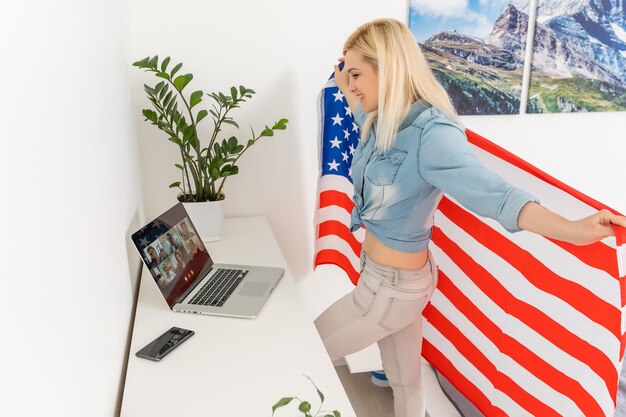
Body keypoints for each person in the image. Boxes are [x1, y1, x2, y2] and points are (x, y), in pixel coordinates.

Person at [313, 18, 626, 417]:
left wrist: (573, 230)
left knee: (302, 349)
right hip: (385, 280)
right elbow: (361, 115)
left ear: (389, 68)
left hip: (390, 292)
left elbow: (496, 196)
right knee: (405, 384)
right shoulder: (380, 120)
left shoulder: (432, 133)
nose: (352, 85)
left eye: (357, 74)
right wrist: (349, 87)